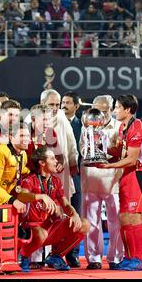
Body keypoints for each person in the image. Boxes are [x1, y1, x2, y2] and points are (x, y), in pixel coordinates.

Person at [0, 123, 55, 247]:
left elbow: (20, 170)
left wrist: (38, 172)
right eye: (22, 135)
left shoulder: (22, 154)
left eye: (28, 135)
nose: (26, 139)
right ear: (11, 137)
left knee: (5, 220)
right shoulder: (0, 153)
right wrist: (12, 200)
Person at [96, 94, 142, 271]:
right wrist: (99, 147)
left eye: (118, 108)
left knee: (134, 217)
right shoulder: (123, 128)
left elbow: (132, 159)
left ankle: (138, 259)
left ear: (127, 110)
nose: (114, 111)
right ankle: (129, 257)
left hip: (138, 174)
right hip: (127, 175)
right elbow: (120, 152)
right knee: (124, 217)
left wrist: (109, 165)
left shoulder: (137, 127)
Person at [19, 146, 90, 272]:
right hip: (32, 229)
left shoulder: (56, 181)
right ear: (42, 163)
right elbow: (21, 196)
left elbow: (66, 205)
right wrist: (40, 196)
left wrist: (74, 214)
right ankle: (23, 256)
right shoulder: (29, 179)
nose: (56, 162)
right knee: (41, 233)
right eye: (52, 158)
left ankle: (55, 256)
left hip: (50, 227)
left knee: (84, 224)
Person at [80, 95, 124, 270]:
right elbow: (82, 149)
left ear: (111, 108)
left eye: (105, 110)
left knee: (115, 221)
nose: (101, 114)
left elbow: (121, 151)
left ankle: (115, 257)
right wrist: (91, 149)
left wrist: (105, 150)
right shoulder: (86, 127)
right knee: (91, 220)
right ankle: (94, 258)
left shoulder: (119, 127)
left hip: (112, 178)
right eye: (98, 110)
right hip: (91, 178)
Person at [61, 91, 82, 267]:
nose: (64, 105)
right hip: (58, 175)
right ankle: (54, 253)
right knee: (58, 215)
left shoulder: (83, 125)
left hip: (76, 174)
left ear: (76, 106)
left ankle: (73, 253)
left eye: (68, 102)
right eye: (63, 102)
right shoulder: (53, 122)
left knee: (76, 212)